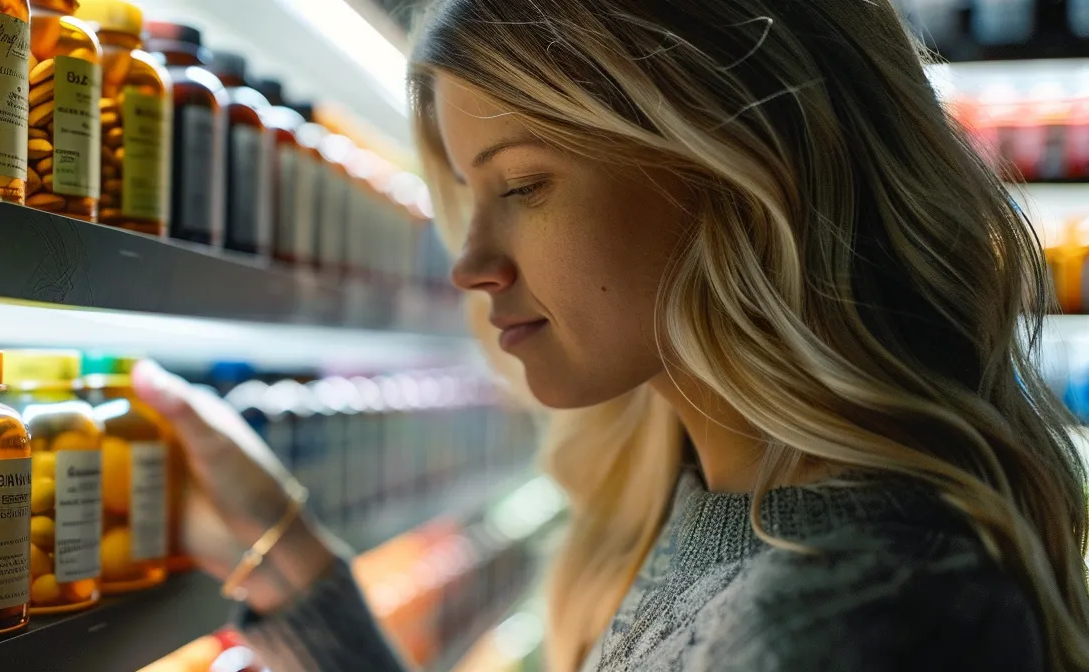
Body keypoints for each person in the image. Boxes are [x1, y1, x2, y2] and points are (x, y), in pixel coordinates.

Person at [127, 0, 1089, 670]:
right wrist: (296, 566)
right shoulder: (726, 496)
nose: (471, 263)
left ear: (730, 163)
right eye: (468, 193)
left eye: (522, 185)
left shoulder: (848, 619)